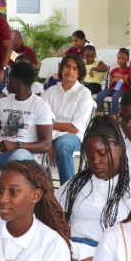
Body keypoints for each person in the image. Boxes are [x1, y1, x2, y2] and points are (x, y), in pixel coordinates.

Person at [56, 117, 131, 261]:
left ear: (118, 150)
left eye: (102, 153)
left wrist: (98, 258)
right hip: (68, 251)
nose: (95, 161)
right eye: (90, 156)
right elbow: (55, 220)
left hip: (106, 257)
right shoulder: (75, 184)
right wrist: (63, 249)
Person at [0, 61, 53, 169]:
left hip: (25, 155)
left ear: (18, 82)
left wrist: (16, 145)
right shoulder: (2, 102)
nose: (6, 82)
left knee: (19, 156)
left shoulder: (40, 105)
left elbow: (46, 144)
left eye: (9, 79)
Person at [41, 54, 94, 185]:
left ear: (80, 73)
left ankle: (68, 189)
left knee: (62, 145)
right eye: (67, 67)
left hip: (72, 137)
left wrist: (51, 126)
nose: (70, 71)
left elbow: (75, 128)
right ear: (62, 68)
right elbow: (40, 120)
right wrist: (48, 144)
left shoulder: (84, 93)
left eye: (75, 68)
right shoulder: (50, 91)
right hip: (47, 135)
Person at [96, 48, 131, 116]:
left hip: (124, 90)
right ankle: (98, 113)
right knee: (100, 95)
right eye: (119, 58)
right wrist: (113, 80)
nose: (120, 60)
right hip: (113, 89)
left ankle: (113, 116)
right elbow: (110, 85)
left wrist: (124, 78)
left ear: (128, 59)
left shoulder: (129, 70)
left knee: (115, 96)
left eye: (123, 58)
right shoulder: (114, 70)